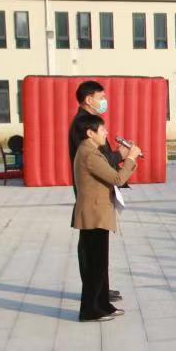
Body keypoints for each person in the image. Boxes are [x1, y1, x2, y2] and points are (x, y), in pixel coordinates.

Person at [71, 113, 141, 322]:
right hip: (94, 215)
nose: (106, 133)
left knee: (100, 264)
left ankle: (102, 305)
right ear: (90, 133)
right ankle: (89, 310)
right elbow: (117, 178)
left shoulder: (91, 151)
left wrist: (127, 158)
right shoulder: (90, 154)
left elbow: (111, 174)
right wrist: (130, 158)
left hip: (97, 213)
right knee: (95, 265)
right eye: (102, 130)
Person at [68, 80, 127, 305]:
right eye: (101, 98)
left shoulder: (90, 122)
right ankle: (94, 293)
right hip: (91, 193)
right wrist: (122, 155)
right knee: (92, 247)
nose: (104, 101)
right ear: (88, 99)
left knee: (97, 247)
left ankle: (100, 290)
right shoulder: (82, 125)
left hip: (97, 190)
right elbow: (96, 160)